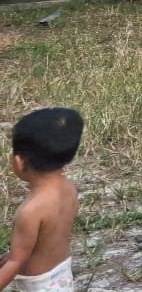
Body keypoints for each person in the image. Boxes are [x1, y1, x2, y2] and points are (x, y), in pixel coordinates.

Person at [0, 107, 82, 292]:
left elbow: (16, 263)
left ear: (19, 162)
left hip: (38, 285)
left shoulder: (31, 210)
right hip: (61, 274)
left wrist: (13, 258)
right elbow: (48, 238)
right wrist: (12, 255)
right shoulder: (69, 188)